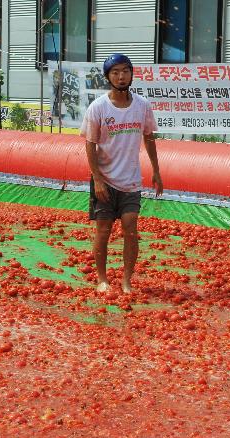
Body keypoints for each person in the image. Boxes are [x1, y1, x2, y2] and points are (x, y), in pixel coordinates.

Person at [81, 53, 163, 294]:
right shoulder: (98, 107)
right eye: (115, 72)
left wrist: (156, 171)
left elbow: (149, 138)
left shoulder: (142, 106)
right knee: (104, 229)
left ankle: (127, 281)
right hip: (104, 180)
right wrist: (97, 178)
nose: (121, 76)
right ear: (108, 77)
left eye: (125, 71)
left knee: (130, 226)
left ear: (131, 74)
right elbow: (90, 144)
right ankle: (101, 279)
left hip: (131, 180)